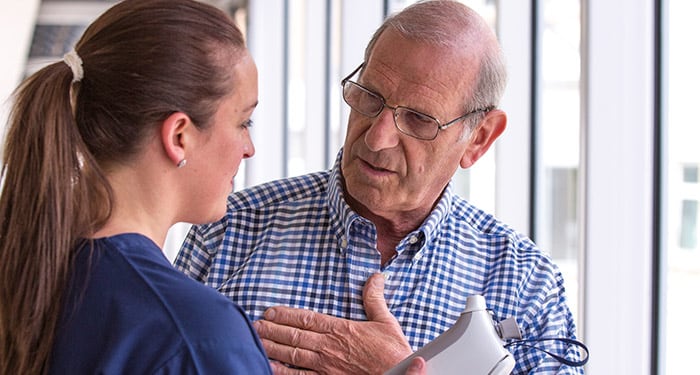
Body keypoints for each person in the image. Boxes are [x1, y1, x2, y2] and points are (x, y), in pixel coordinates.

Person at [175, 0, 583, 374]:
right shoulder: (228, 229)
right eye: (369, 97)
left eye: (419, 119)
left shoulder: (527, 284)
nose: (377, 138)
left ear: (478, 139)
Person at [0, 0, 273, 373]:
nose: (249, 149)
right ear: (179, 135)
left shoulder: (27, 272)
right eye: (245, 123)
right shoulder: (197, 336)